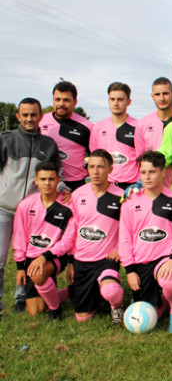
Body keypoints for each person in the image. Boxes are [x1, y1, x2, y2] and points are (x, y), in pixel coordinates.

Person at [0, 97, 67, 314]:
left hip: (33, 213)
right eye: (25, 115)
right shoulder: (5, 140)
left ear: (41, 116)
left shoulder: (48, 144)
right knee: (0, 258)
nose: (30, 119)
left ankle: (21, 296)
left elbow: (58, 172)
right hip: (4, 208)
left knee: (30, 254)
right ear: (18, 116)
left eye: (34, 114)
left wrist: (64, 187)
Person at [47, 149, 124, 324]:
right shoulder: (78, 195)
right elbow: (72, 232)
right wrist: (72, 262)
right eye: (92, 167)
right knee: (82, 318)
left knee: (111, 291)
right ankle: (89, 294)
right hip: (82, 260)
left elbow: (130, 229)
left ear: (110, 169)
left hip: (106, 258)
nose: (96, 172)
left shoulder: (121, 197)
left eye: (101, 167)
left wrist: (121, 249)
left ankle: (116, 306)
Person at [119, 151, 172, 333]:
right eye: (143, 172)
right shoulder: (130, 201)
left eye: (153, 172)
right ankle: (162, 300)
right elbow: (124, 239)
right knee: (151, 315)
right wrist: (130, 270)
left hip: (165, 260)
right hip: (140, 263)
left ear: (163, 172)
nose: (147, 177)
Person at [12, 162, 72, 319]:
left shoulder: (67, 206)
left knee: (38, 274)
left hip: (55, 256)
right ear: (36, 181)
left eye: (51, 179)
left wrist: (45, 257)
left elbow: (67, 241)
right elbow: (19, 237)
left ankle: (55, 309)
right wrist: (20, 266)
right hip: (32, 258)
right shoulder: (25, 205)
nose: (47, 183)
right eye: (43, 179)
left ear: (58, 180)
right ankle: (71, 291)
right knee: (36, 310)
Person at [40, 80, 94, 191]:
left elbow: (95, 158)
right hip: (47, 183)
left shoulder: (87, 127)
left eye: (66, 100)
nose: (61, 104)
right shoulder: (40, 122)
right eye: (57, 99)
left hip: (75, 185)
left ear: (75, 102)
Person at [134, 77, 172, 189]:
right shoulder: (143, 124)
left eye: (165, 93)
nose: (162, 98)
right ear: (152, 96)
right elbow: (140, 158)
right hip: (151, 187)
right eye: (157, 94)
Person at [89, 82, 139, 189]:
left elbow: (142, 159)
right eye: (112, 99)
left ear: (128, 102)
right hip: (106, 185)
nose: (116, 103)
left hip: (131, 185)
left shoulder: (138, 127)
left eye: (120, 99)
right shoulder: (98, 127)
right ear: (108, 101)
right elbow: (95, 157)